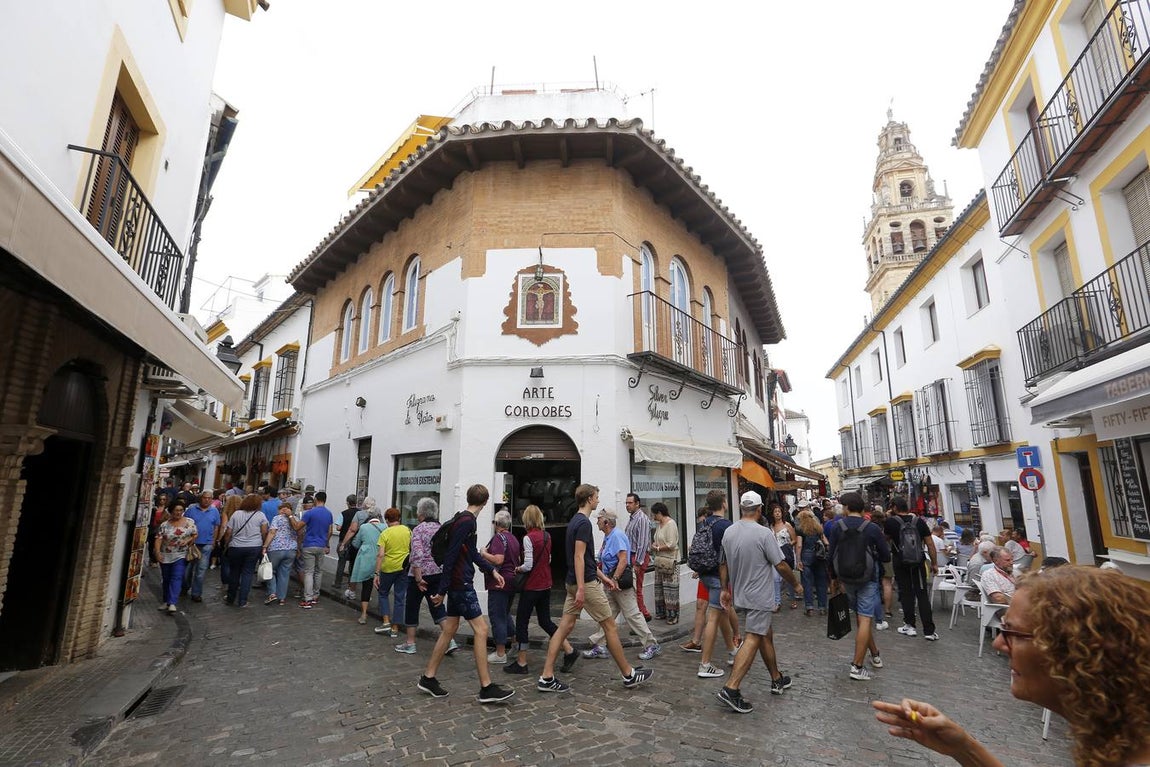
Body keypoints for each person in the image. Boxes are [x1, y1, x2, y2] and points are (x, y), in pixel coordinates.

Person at [874, 566, 1150, 767]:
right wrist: (963, 748)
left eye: (1013, 633)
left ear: (1077, 648)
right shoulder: (1117, 741)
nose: (999, 645)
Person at [535, 484, 653, 693]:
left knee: (564, 628)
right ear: (589, 499)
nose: (598, 501)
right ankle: (629, 674)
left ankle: (546, 677)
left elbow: (587, 559)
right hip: (585, 584)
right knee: (610, 627)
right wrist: (582, 587)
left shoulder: (574, 521)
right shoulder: (583, 524)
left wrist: (605, 578)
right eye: (597, 497)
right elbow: (579, 557)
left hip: (574, 581)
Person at [418, 484, 515, 704]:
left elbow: (470, 552)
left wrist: (491, 570)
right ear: (486, 501)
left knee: (449, 629)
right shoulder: (467, 522)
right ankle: (486, 687)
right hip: (460, 583)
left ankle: (428, 677)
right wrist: (442, 590)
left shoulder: (463, 519)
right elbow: (452, 555)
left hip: (457, 582)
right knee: (481, 629)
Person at [714, 490, 803, 713]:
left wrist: (725, 589)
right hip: (759, 596)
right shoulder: (763, 533)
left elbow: (722, 563)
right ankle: (731, 688)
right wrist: (796, 584)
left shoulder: (729, 532)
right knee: (754, 636)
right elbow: (781, 564)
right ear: (760, 509)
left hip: (740, 594)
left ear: (742, 508)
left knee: (765, 635)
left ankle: (776, 678)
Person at [583, 509, 660, 662]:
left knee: (632, 614)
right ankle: (600, 645)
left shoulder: (616, 536)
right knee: (607, 615)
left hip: (619, 582)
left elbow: (623, 560)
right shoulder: (608, 537)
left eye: (598, 519)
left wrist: (615, 579)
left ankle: (652, 644)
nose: (596, 521)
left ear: (606, 522)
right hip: (611, 581)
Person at [829, 491, 891, 681]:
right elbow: (886, 555)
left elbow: (831, 555)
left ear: (846, 508)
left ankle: (875, 654)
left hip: (846, 579)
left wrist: (834, 580)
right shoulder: (871, 528)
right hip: (868, 578)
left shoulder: (837, 527)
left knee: (860, 617)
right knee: (865, 619)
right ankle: (857, 666)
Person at [505, 504, 573, 675]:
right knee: (545, 621)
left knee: (522, 621)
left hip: (532, 586)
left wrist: (518, 569)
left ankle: (522, 662)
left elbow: (528, 565)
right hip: (546, 583)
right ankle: (570, 650)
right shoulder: (547, 536)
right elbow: (548, 558)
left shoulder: (528, 538)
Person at [398, 498, 458, 655]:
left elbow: (417, 553)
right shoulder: (440, 528)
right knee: (437, 607)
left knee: (412, 606)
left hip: (419, 575)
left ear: (421, 513)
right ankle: (449, 640)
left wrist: (418, 577)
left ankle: (410, 643)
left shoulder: (419, 529)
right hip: (437, 573)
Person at [884, 496, 938, 641]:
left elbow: (885, 540)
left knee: (906, 592)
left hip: (900, 561)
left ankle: (910, 626)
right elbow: (930, 544)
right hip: (918, 561)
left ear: (894, 507)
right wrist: (934, 563)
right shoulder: (919, 521)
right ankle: (929, 630)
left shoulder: (890, 522)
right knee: (922, 594)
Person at [479, 509, 519, 664]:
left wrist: (483, 553)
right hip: (512, 580)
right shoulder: (513, 538)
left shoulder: (498, 538)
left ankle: (500, 653)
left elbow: (498, 560)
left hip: (499, 582)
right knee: (505, 613)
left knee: (497, 615)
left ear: (496, 524)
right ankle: (515, 642)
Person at [222, 493, 269, 607]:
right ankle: (242, 600)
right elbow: (264, 532)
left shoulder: (236, 514)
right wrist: (264, 544)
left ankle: (230, 598)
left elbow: (228, 532)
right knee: (248, 573)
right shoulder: (260, 515)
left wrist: (226, 544)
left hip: (236, 546)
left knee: (234, 573)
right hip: (254, 547)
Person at [152, 502, 197, 614]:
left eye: (181, 510)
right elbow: (159, 538)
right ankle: (166, 601)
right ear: (171, 511)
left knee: (176, 577)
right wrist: (157, 552)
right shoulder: (164, 525)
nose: (178, 512)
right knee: (166, 578)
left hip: (181, 554)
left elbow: (195, 534)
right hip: (166, 555)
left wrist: (186, 541)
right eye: (176, 510)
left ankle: (172, 602)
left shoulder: (189, 523)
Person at [374, 507, 411, 635]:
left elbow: (380, 555)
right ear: (399, 518)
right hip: (403, 567)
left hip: (388, 568)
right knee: (400, 597)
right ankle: (395, 628)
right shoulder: (407, 530)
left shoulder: (385, 533)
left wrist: (376, 573)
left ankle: (386, 621)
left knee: (383, 592)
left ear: (387, 520)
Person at [296, 491, 333, 609]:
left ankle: (308, 598)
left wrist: (291, 516)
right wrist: (326, 543)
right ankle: (316, 595)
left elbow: (298, 527)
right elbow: (330, 531)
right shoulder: (329, 514)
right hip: (321, 545)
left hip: (309, 544)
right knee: (318, 571)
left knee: (308, 571)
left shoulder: (310, 513)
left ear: (316, 499)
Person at [349, 508, 386, 625]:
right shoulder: (385, 527)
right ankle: (384, 611)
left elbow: (355, 543)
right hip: (382, 559)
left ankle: (364, 614)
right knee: (382, 587)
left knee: (366, 586)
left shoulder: (364, 527)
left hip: (367, 559)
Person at [184, 491, 221, 603]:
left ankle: (196, 593)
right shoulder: (192, 510)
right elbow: (185, 524)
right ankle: (184, 587)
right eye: (205, 498)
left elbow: (216, 527)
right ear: (201, 498)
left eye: (209, 498)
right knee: (187, 570)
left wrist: (214, 541)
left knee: (201, 571)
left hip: (206, 544)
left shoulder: (214, 511)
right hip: (191, 544)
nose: (207, 500)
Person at [623, 493, 653, 620]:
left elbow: (642, 543)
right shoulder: (632, 518)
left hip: (637, 557)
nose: (627, 505)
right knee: (634, 588)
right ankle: (641, 614)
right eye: (626, 503)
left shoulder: (642, 519)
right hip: (631, 556)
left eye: (630, 503)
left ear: (637, 504)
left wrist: (637, 562)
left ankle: (642, 615)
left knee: (636, 589)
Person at [262, 501, 298, 606]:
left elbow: (272, 532)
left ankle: (272, 593)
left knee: (270, 571)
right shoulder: (295, 519)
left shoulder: (277, 518)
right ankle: (282, 598)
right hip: (291, 549)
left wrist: (265, 546)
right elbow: (299, 533)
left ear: (281, 509)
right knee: (285, 574)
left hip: (276, 548)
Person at [649, 502, 680, 624]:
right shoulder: (659, 524)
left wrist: (657, 548)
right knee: (660, 588)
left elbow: (671, 544)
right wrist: (654, 544)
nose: (653, 518)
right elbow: (657, 539)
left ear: (660, 513)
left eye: (654, 515)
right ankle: (662, 613)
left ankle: (673, 615)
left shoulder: (670, 524)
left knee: (670, 590)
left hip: (669, 561)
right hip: (660, 560)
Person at [794, 508, 829, 616]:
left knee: (807, 583)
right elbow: (826, 542)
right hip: (819, 557)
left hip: (806, 556)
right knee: (821, 582)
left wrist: (798, 559)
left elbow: (799, 545)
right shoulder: (818, 528)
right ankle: (822, 607)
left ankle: (809, 608)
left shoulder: (800, 529)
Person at [768, 503, 798, 611]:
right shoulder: (770, 527)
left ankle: (793, 598)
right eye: (775, 512)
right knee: (775, 579)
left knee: (788, 577)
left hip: (786, 555)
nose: (777, 513)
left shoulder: (787, 525)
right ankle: (777, 602)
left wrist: (789, 544)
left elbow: (795, 539)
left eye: (779, 511)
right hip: (774, 555)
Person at [334, 494, 360, 592]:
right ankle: (351, 584)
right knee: (353, 564)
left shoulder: (343, 513)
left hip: (344, 541)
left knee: (341, 563)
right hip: (356, 541)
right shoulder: (360, 513)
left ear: (348, 503)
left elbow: (338, 528)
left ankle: (337, 583)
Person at [147, 493, 170, 567]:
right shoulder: (154, 508)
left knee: (158, 545)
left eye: (164, 499)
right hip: (153, 529)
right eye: (160, 499)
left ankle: (155, 560)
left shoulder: (167, 510)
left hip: (161, 529)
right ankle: (152, 558)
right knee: (151, 545)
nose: (162, 501)